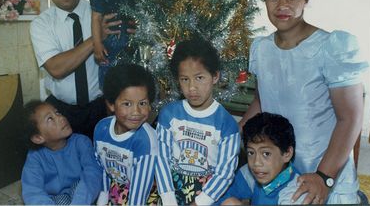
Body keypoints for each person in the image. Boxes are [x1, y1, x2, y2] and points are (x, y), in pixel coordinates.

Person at [238, 0, 369, 204]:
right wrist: (233, 137)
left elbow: (350, 118)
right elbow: (260, 101)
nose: (282, 6)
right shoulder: (261, 48)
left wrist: (324, 177)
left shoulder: (331, 47)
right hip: (277, 165)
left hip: (322, 167)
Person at [30, 0, 119, 139]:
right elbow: (56, 68)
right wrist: (96, 37)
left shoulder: (101, 12)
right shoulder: (41, 24)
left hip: (101, 107)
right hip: (60, 113)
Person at [155, 38, 241, 205]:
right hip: (173, 189)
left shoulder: (226, 123)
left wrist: (199, 202)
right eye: (185, 79)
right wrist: (168, 199)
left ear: (215, 76)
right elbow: (162, 160)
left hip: (209, 193)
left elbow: (225, 173)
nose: (192, 87)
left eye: (199, 78)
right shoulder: (169, 114)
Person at [93, 64, 159, 205]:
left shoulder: (146, 139)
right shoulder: (101, 128)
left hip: (145, 195)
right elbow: (102, 169)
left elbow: (139, 195)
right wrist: (102, 200)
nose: (136, 112)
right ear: (111, 104)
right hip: (117, 190)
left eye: (142, 103)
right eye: (127, 104)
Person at [21, 100, 102, 205]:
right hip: (56, 199)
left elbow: (92, 174)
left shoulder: (81, 142)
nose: (61, 118)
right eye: (50, 119)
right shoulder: (35, 157)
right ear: (38, 138)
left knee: (80, 187)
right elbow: (32, 192)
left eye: (57, 112)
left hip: (82, 195)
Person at [218, 112, 307, 205]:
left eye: (266, 154)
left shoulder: (295, 195)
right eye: (251, 153)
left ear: (287, 154)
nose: (256, 162)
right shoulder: (253, 173)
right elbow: (220, 195)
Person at [90, 0, 138, 90]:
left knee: (132, 83)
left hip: (131, 46)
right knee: (110, 87)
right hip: (108, 48)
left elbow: (142, 15)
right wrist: (97, 44)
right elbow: (96, 19)